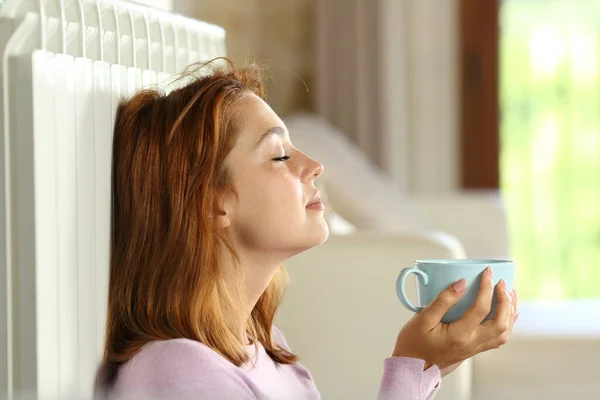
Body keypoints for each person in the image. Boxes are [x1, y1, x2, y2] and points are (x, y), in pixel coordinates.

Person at [95, 58, 518, 400]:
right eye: (279, 156)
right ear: (212, 203)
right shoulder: (178, 375)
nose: (314, 167)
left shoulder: (261, 347)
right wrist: (411, 369)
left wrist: (427, 366)